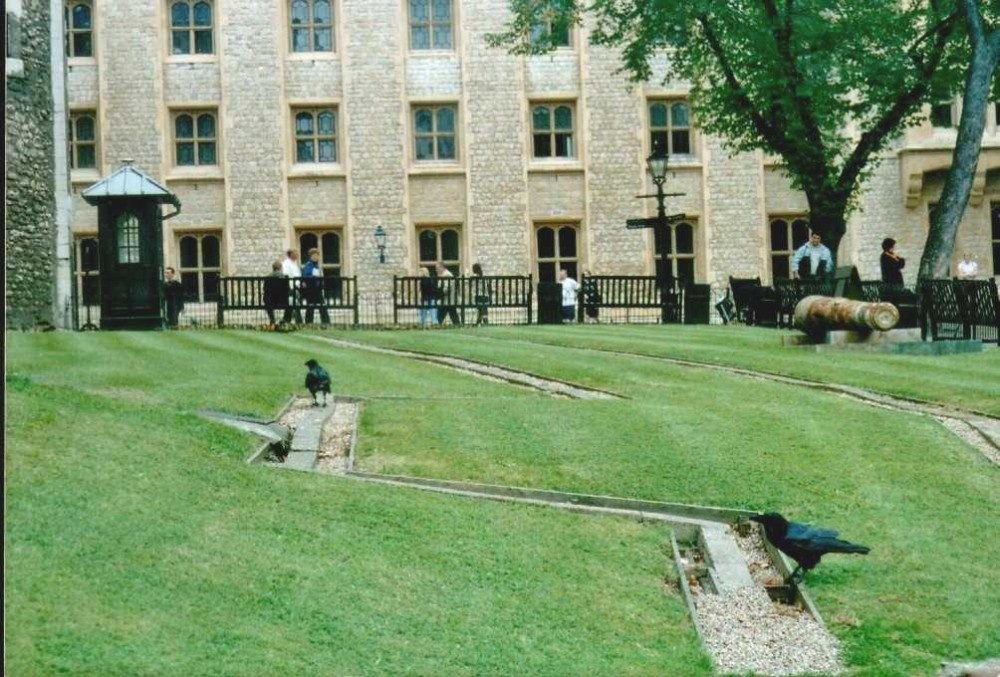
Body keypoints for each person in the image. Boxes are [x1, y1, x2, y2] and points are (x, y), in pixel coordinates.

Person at [301, 248, 330, 325]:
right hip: (311, 290)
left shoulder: (316, 265)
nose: (316, 257)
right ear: (310, 256)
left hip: (317, 289)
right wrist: (314, 277)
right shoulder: (308, 266)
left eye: (317, 255)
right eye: (314, 255)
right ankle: (309, 323)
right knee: (311, 307)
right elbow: (306, 276)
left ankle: (326, 322)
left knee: (322, 306)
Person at [263, 261, 289, 327]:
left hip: (270, 301)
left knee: (267, 299)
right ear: (280, 268)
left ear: (273, 268)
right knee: (291, 304)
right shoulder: (284, 277)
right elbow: (287, 289)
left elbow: (265, 288)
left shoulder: (268, 277)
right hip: (282, 301)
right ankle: (285, 320)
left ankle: (272, 320)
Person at [281, 249, 303, 323]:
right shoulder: (286, 264)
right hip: (291, 288)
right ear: (291, 255)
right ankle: (298, 321)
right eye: (295, 253)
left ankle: (286, 320)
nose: (297, 254)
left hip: (296, 287)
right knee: (294, 305)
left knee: (292, 306)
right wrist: (292, 287)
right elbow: (287, 276)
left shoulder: (294, 263)